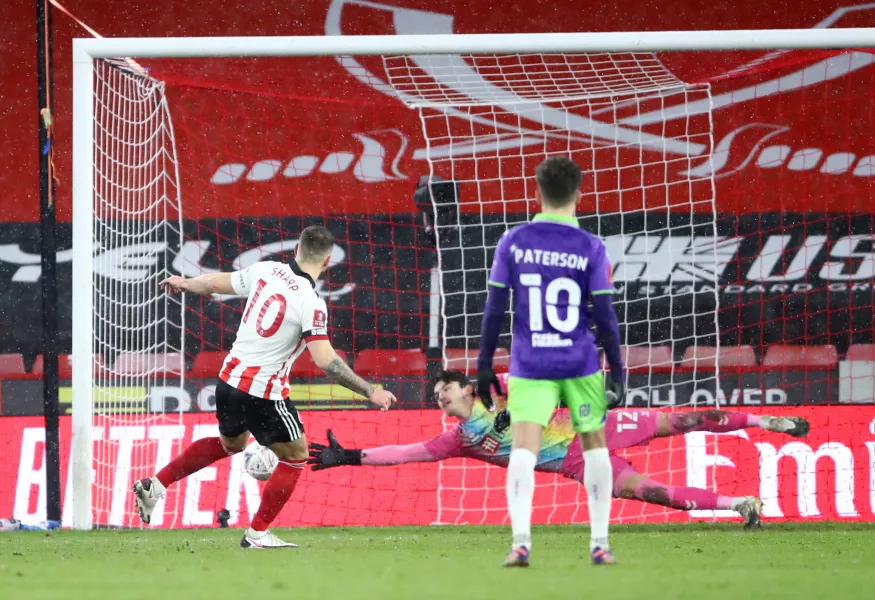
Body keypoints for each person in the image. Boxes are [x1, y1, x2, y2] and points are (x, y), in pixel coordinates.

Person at [133, 226, 396, 548]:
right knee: (296, 457)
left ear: (296, 249)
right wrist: (371, 391)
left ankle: (155, 485)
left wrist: (184, 282)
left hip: (228, 380)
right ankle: (257, 534)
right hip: (262, 391)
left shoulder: (266, 270)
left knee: (230, 445)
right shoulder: (311, 304)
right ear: (328, 261)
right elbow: (327, 362)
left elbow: (215, 282)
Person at [308, 370, 810, 528]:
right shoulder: (458, 439)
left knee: (686, 418)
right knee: (651, 493)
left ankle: (773, 420)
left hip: (596, 425)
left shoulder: (499, 389)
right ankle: (740, 505)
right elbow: (406, 453)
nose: (439, 393)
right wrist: (350, 456)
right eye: (437, 391)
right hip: (578, 465)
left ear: (467, 389)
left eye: (447, 386)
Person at [477, 156, 625, 566]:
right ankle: (600, 544)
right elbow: (606, 316)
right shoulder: (592, 247)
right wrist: (618, 369)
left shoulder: (513, 240)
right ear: (579, 194)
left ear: (537, 193)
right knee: (595, 447)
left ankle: (520, 543)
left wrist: (484, 364)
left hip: (530, 363)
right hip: (580, 362)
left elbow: (493, 309)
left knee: (524, 449)